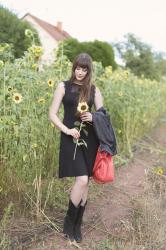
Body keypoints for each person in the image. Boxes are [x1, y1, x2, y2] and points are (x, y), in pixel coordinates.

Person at [48, 53, 103, 243]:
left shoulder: (94, 91)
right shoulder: (63, 86)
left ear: (88, 71)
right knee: (81, 179)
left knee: (86, 181)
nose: (80, 72)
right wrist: (67, 130)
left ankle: (77, 225)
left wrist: (93, 117)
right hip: (70, 137)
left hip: (89, 140)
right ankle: (68, 223)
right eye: (77, 68)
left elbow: (103, 115)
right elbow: (52, 114)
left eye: (84, 69)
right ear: (74, 68)